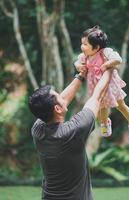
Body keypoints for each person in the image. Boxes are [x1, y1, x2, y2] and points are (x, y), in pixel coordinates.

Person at [28, 69, 113, 200]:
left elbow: (62, 102)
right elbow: (97, 96)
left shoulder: (37, 130)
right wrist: (109, 67)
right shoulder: (72, 131)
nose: (63, 97)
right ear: (57, 108)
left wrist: (81, 75)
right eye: (59, 97)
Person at [74, 25, 129, 139]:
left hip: (110, 86)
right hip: (96, 86)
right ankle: (105, 123)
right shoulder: (84, 57)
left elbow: (118, 59)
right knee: (101, 106)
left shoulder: (105, 53)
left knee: (121, 106)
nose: (82, 47)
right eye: (82, 43)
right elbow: (76, 63)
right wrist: (79, 66)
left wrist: (107, 64)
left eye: (85, 44)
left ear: (96, 47)